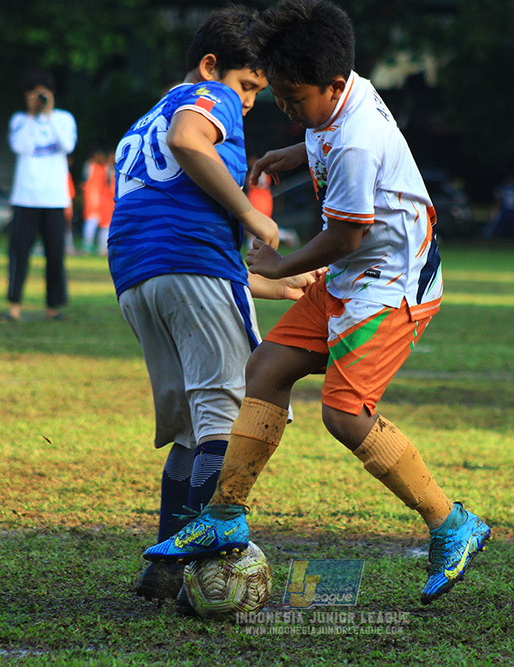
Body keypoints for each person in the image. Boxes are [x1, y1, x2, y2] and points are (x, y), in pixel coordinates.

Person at [143, 0, 491, 606]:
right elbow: (324, 132)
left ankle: (451, 523)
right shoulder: (341, 95)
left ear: (333, 84)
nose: (286, 109)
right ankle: (226, 513)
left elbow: (346, 233)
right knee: (265, 369)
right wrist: (295, 151)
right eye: (278, 98)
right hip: (356, 274)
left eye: (294, 100)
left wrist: (281, 264)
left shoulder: (355, 141)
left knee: (343, 413)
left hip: (391, 286)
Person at [106, 6, 310, 605]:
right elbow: (187, 141)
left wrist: (283, 286)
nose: (248, 103)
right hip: (189, 269)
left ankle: (166, 566)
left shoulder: (149, 113)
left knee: (193, 428)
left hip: (137, 277)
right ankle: (209, 563)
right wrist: (249, 211)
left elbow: (187, 247)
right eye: (248, 86)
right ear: (211, 66)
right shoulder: (206, 97)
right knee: (227, 416)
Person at [5, 70, 77, 322]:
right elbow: (19, 147)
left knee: (55, 254)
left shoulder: (64, 119)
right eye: (33, 93)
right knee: (19, 252)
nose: (37, 97)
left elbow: (68, 145)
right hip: (25, 197)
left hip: (55, 198)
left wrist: (49, 115)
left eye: (42, 93)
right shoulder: (19, 120)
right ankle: (14, 305)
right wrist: (33, 116)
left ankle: (53, 307)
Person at [82, 148, 109, 254]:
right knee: (91, 222)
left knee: (103, 224)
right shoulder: (90, 166)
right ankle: (87, 247)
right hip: (92, 199)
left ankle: (101, 248)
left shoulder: (103, 168)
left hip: (102, 201)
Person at [486, 173, 514, 239]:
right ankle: (499, 239)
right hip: (503, 210)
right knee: (500, 226)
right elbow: (498, 199)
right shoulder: (502, 187)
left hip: (512, 210)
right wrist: (496, 209)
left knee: (513, 227)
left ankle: (513, 240)